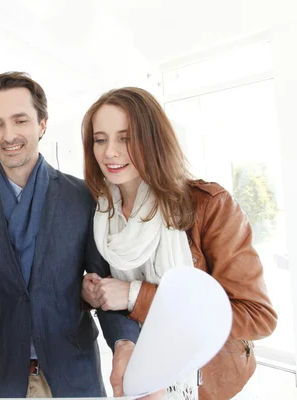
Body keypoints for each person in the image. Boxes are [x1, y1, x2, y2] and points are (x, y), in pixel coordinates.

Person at [0, 72, 152, 398]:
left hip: (72, 369)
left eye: (21, 120)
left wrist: (124, 343)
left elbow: (103, 284)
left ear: (42, 123)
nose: (9, 134)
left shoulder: (84, 196)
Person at [80, 87, 278, 399]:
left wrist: (136, 296)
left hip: (205, 382)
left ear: (153, 139)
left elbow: (257, 316)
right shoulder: (102, 213)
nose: (109, 152)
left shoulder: (209, 205)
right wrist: (93, 293)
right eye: (100, 139)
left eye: (126, 138)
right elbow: (113, 301)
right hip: (142, 376)